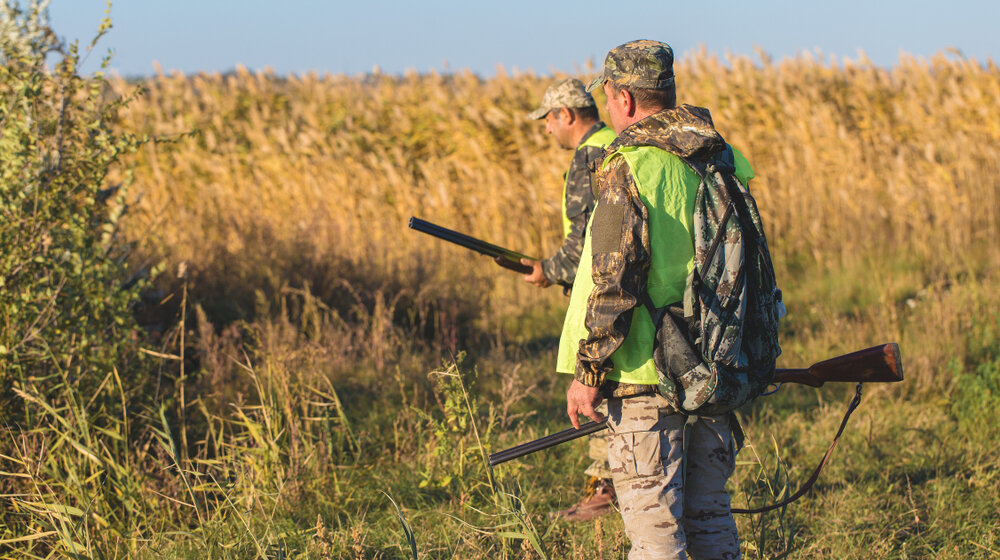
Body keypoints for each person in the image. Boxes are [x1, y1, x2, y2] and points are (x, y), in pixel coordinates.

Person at [557, 40, 755, 559]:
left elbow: (615, 280)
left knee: (655, 534)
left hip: (644, 373)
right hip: (717, 367)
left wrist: (589, 371)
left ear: (623, 98)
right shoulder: (720, 157)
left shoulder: (630, 165)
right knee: (711, 519)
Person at [521, 77, 618, 521]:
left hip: (603, 291)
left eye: (548, 119)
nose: (545, 129)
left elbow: (587, 242)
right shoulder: (616, 142)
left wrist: (547, 269)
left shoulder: (589, 156)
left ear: (567, 115)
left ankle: (606, 488)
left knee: (604, 385)